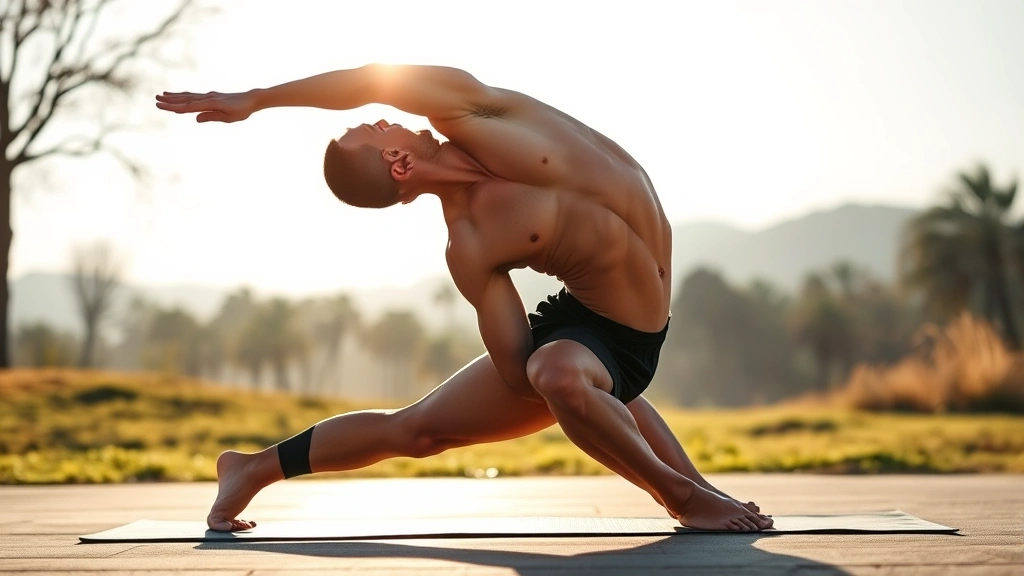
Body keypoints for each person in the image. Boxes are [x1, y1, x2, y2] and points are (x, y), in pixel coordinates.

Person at [155, 64, 774, 533]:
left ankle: (690, 484)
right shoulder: (470, 247)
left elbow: (371, 80)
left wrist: (259, 100)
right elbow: (516, 369)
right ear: (397, 162)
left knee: (568, 378)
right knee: (431, 426)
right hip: (595, 335)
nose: (385, 115)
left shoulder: (477, 116)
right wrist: (572, 387)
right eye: (374, 129)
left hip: (620, 332)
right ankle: (250, 469)